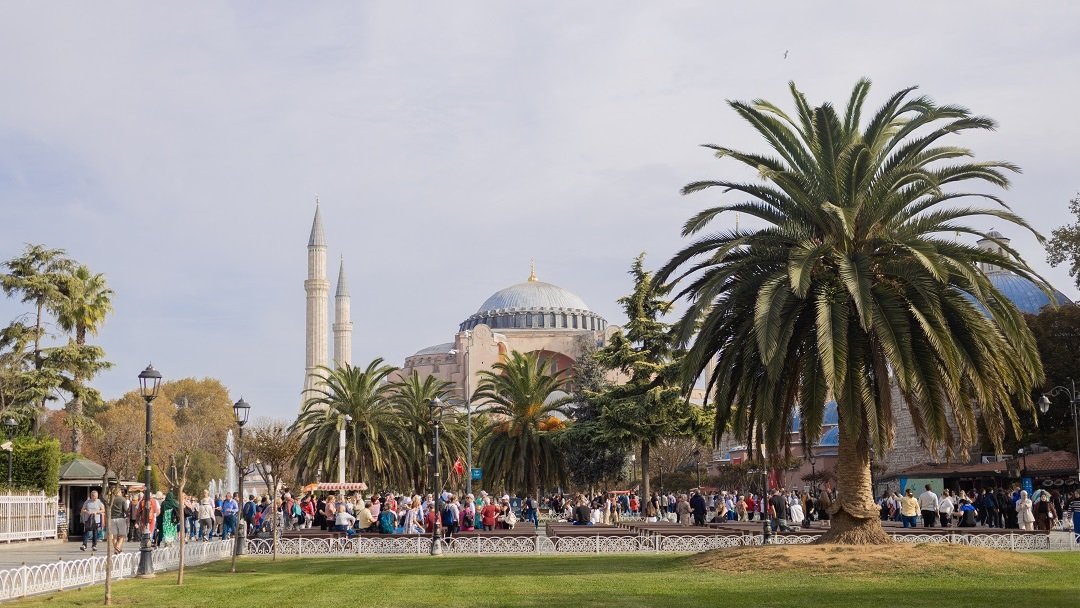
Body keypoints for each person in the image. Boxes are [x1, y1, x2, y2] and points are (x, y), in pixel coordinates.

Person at [108, 487, 129, 553]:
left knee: (114, 536)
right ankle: (118, 548)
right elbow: (125, 509)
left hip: (112, 519)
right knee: (122, 535)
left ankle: (116, 549)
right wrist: (127, 515)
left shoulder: (110, 499)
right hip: (120, 518)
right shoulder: (123, 499)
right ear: (119, 492)